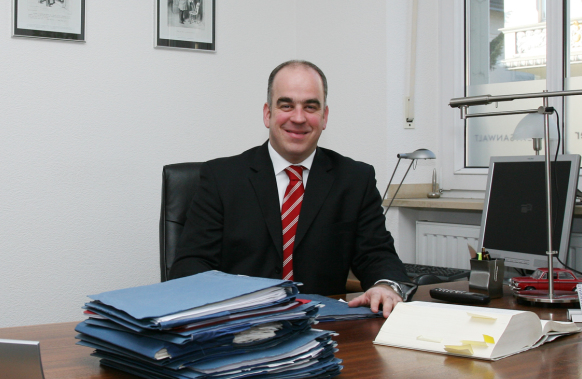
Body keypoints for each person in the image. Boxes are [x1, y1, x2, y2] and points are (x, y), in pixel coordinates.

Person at [169, 60, 414, 317]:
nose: (298, 118)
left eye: (310, 107)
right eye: (286, 105)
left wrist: (386, 286)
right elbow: (190, 264)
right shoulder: (221, 177)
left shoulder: (355, 179)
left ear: (324, 117)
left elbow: (377, 254)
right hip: (242, 323)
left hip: (323, 326)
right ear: (268, 114)